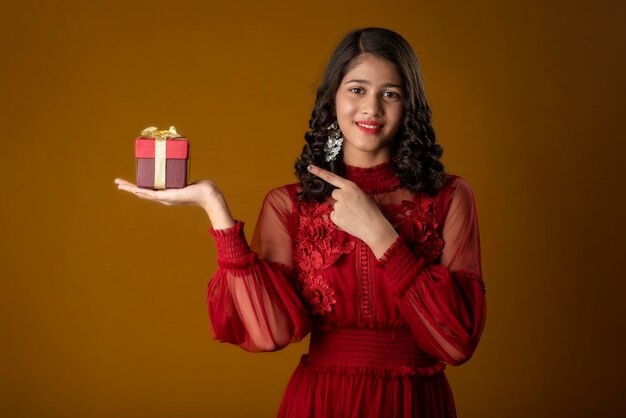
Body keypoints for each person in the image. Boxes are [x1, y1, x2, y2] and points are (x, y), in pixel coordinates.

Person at [116, 27, 486, 418]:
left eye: (390, 94)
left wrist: (381, 235)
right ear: (333, 99)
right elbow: (268, 333)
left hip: (415, 402)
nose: (372, 108)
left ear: (409, 105)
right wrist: (214, 205)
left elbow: (458, 342)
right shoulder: (290, 205)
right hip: (321, 401)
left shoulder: (449, 196)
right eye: (357, 89)